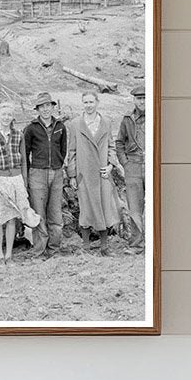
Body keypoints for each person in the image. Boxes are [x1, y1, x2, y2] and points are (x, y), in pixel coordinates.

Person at [0, 102, 41, 266]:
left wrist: (24, 183)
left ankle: (9, 255)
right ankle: (0, 256)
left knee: (12, 218)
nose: (6, 117)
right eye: (3, 114)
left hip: (15, 180)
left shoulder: (18, 135)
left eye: (9, 114)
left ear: (13, 117)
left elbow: (23, 161)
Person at [66, 90, 121, 256]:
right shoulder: (76, 124)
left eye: (91, 102)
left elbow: (111, 146)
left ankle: (105, 247)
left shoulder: (105, 122)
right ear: (82, 104)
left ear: (97, 102)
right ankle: (86, 247)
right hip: (85, 174)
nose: (88, 105)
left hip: (102, 173)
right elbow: (72, 151)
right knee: (86, 209)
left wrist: (111, 165)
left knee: (104, 207)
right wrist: (73, 175)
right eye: (85, 102)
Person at [22, 92, 68, 258]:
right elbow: (25, 153)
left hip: (56, 172)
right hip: (38, 173)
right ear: (38, 109)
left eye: (48, 105)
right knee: (38, 212)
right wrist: (28, 175)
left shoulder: (60, 127)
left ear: (52, 107)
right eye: (42, 106)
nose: (46, 109)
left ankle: (54, 248)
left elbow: (63, 149)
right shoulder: (31, 128)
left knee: (55, 212)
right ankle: (39, 249)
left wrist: (58, 165)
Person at [115, 85, 146, 250]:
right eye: (139, 98)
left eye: (145, 98)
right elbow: (119, 142)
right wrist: (125, 163)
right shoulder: (127, 119)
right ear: (134, 100)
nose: (142, 101)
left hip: (152, 164)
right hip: (133, 165)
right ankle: (136, 244)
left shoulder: (158, 114)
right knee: (135, 207)